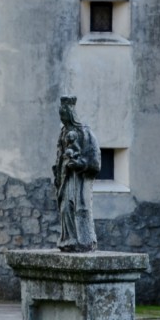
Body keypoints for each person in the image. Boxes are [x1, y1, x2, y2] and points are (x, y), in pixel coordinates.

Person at [54, 96, 100, 252]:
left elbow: (95, 161)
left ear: (71, 114)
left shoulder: (85, 133)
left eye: (64, 114)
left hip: (78, 181)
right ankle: (68, 239)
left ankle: (82, 240)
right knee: (65, 208)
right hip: (65, 180)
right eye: (60, 114)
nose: (62, 118)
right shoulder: (63, 132)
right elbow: (60, 157)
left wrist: (80, 164)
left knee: (77, 209)